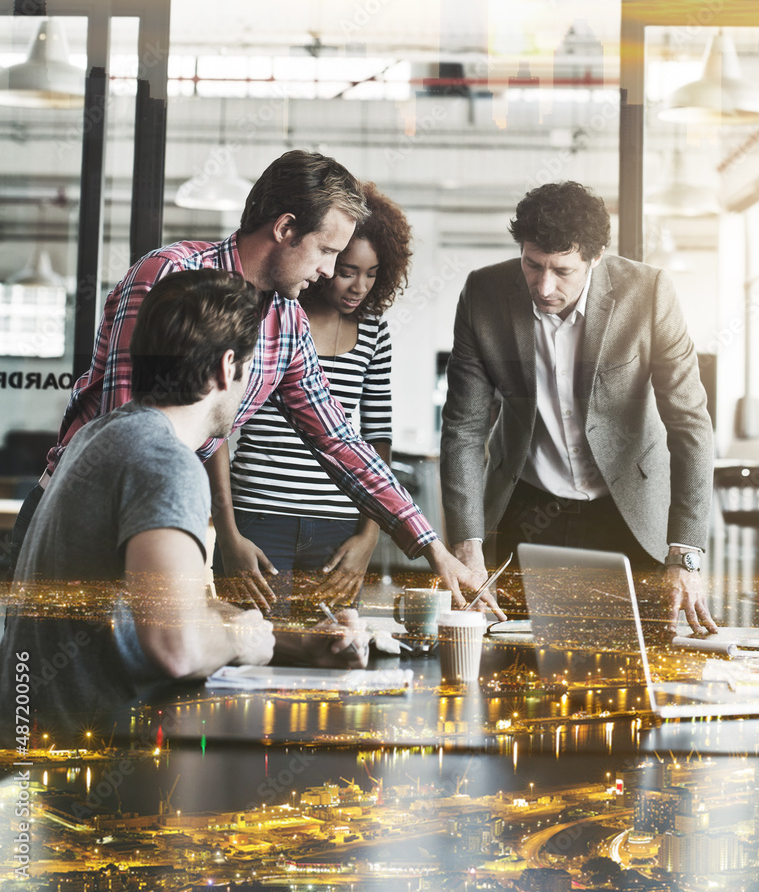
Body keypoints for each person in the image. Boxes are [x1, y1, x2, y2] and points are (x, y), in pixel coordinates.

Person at [6, 150, 500, 618]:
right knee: (41, 697)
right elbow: (126, 430)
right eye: (326, 250)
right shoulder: (170, 275)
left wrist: (431, 547)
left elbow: (337, 439)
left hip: (154, 523)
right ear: (286, 228)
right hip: (76, 518)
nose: (329, 270)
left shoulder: (286, 321)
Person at [0, 270, 369, 742]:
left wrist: (294, 641)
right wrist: (244, 639)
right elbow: (175, 646)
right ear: (226, 366)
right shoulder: (164, 462)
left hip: (42, 750)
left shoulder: (107, 434)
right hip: (92, 781)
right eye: (250, 368)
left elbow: (174, 610)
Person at [439, 181, 717, 637]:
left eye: (562, 270)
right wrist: (466, 544)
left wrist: (685, 552)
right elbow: (464, 430)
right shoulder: (483, 294)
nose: (544, 286)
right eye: (532, 265)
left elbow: (689, 425)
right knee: (520, 673)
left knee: (635, 670)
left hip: (629, 512)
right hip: (528, 511)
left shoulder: (648, 294)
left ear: (596, 256)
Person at [212, 182, 410, 616]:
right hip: (259, 516)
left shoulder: (374, 332)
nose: (359, 286)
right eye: (346, 269)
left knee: (332, 654)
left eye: (373, 273)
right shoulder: (270, 317)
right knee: (251, 651)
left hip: (338, 528)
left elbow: (372, 437)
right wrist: (227, 534)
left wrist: (368, 537)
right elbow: (217, 430)